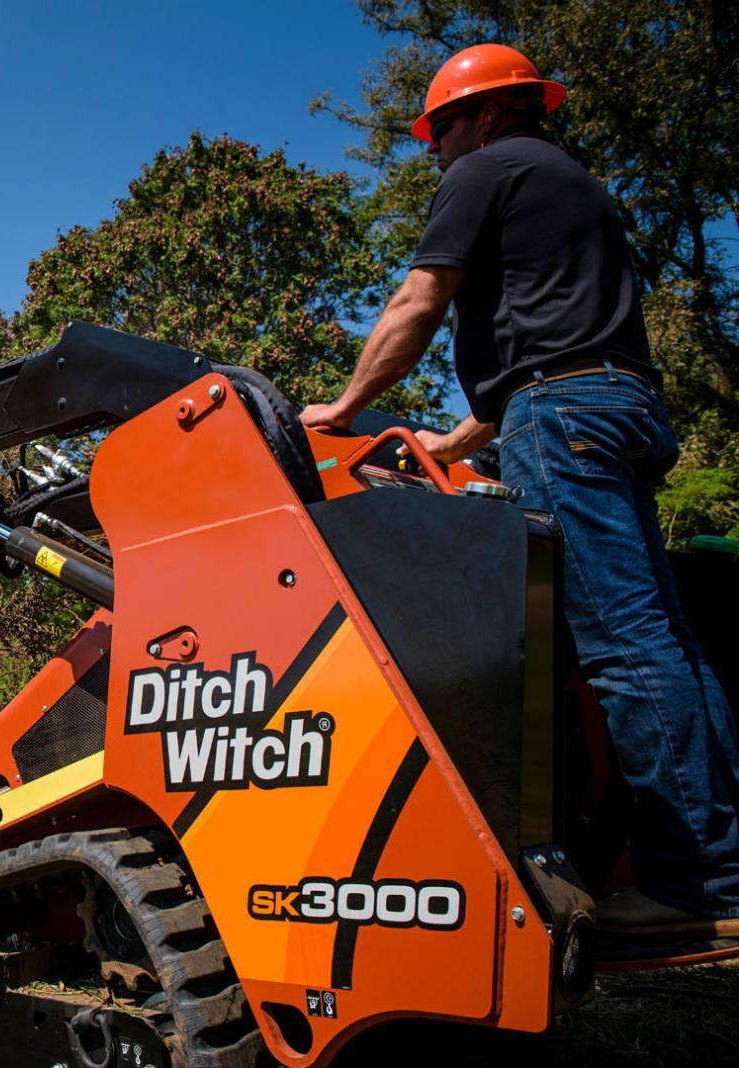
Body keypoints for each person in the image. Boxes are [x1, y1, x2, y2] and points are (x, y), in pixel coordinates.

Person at [299, 43, 739, 934]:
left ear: (488, 115)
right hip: (618, 407)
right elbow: (557, 347)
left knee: (621, 647)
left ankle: (699, 887)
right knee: (665, 642)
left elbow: (420, 301)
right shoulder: (573, 185)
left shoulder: (486, 169)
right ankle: (717, 865)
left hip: (563, 419)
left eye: (441, 129)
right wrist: (449, 441)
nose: (434, 150)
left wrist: (342, 408)